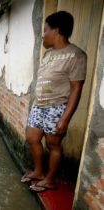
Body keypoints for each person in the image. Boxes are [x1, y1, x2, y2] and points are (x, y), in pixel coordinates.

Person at [21, 11, 87, 192]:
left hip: (57, 107)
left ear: (56, 30)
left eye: (45, 30)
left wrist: (65, 118)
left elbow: (76, 89)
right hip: (39, 104)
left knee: (53, 144)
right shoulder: (48, 53)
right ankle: (39, 172)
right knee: (32, 138)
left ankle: (49, 180)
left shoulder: (76, 55)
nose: (43, 34)